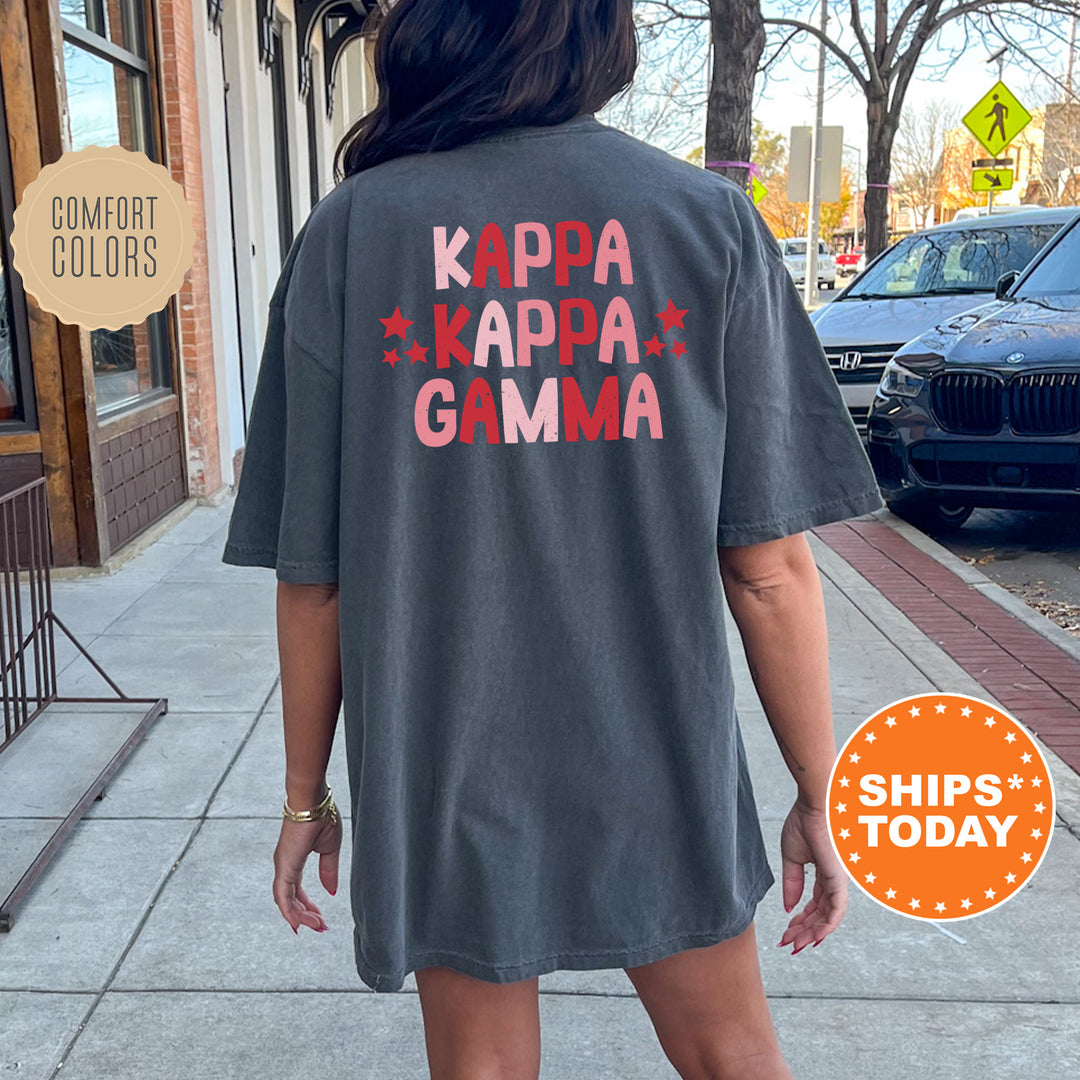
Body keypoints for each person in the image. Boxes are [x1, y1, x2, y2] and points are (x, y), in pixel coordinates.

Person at [220, 1, 884, 1076]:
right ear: (597, 37)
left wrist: (306, 797)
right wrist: (818, 792)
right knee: (732, 1055)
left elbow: (316, 581)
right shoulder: (707, 222)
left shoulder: (353, 231)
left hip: (447, 753)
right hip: (655, 749)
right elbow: (769, 570)